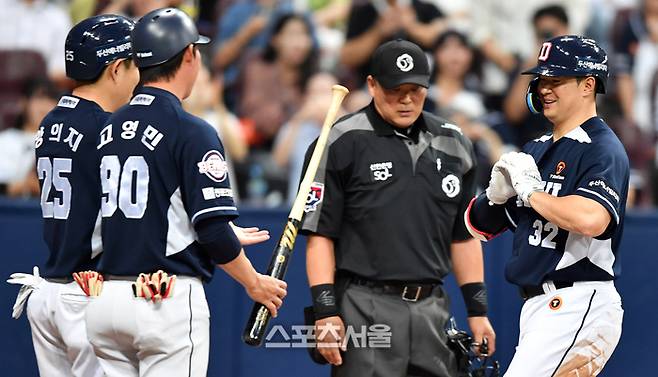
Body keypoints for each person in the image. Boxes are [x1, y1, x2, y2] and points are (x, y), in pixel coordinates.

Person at [84, 8, 287, 376]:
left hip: (106, 301)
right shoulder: (193, 130)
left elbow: (135, 214)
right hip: (163, 302)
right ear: (190, 56)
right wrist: (254, 283)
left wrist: (215, 231)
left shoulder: (108, 127)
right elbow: (211, 231)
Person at [301, 39, 495, 376]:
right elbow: (320, 236)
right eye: (395, 89)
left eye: (415, 89)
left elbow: (463, 236)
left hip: (432, 306)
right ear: (372, 84)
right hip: (364, 303)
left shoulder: (455, 143)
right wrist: (325, 311)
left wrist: (477, 311)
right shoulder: (339, 141)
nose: (406, 99)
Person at [465, 35, 628, 376]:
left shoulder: (601, 147)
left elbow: (591, 219)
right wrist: (493, 197)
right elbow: (479, 226)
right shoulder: (537, 149)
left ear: (588, 85)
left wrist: (528, 192)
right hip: (538, 307)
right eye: (541, 81)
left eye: (556, 80)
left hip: (578, 300)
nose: (544, 89)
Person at [6, 15, 139, 377]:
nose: (139, 76)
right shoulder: (107, 127)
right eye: (135, 66)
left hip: (49, 290)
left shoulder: (51, 119)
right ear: (115, 69)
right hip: (87, 291)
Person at [0, 78, 59, 198]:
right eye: (39, 98)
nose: (44, 106)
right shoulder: (5, 140)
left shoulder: (63, 141)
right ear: (24, 102)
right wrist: (25, 185)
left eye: (51, 99)